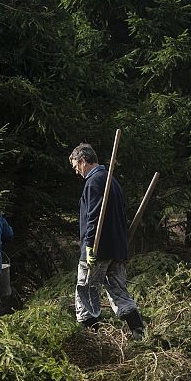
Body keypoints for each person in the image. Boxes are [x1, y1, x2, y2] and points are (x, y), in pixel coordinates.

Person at [70, 143, 146, 339]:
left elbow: (94, 217)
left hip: (98, 249)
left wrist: (88, 247)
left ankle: (91, 340)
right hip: (117, 249)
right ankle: (139, 334)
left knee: (86, 291)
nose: (76, 171)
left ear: (83, 161)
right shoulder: (112, 180)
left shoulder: (94, 181)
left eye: (75, 166)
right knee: (118, 291)